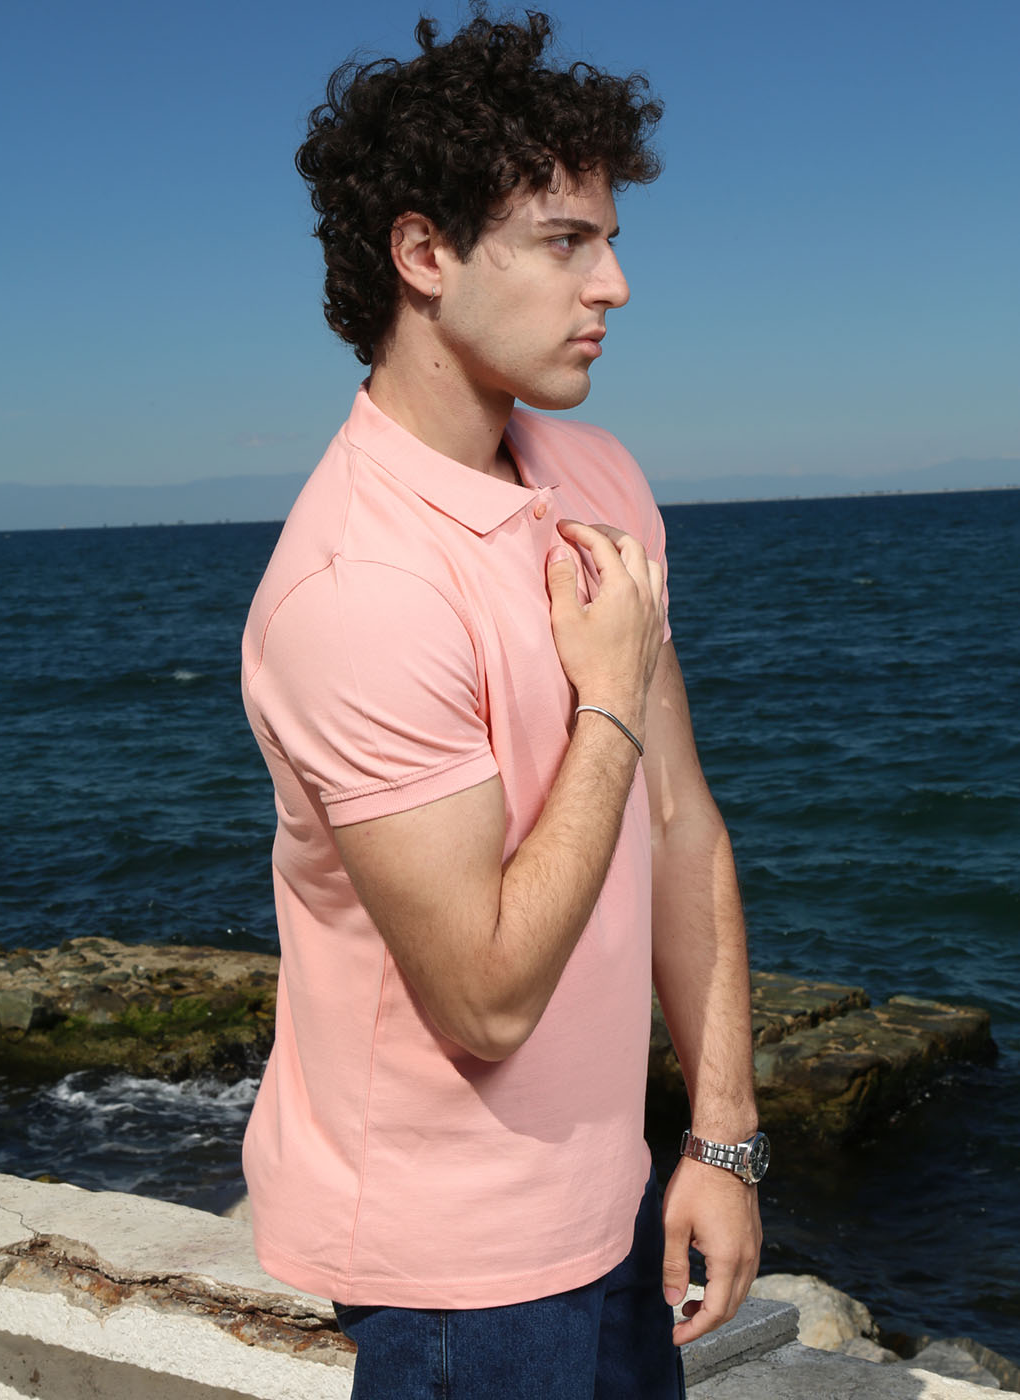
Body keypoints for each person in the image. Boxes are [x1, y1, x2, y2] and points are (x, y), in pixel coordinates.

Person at [240, 12, 764, 1398]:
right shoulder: (356, 588)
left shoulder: (599, 477)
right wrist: (609, 702)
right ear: (424, 254)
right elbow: (484, 997)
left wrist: (720, 1139)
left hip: (615, 1203)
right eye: (565, 241)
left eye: (609, 239)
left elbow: (683, 825)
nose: (616, 285)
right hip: (454, 1274)